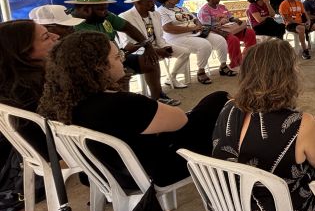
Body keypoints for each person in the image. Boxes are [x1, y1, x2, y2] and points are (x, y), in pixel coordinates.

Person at [37, 32, 229, 191]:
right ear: (99, 67)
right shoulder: (120, 103)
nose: (123, 60)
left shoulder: (61, 101)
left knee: (210, 107)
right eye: (116, 57)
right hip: (153, 172)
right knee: (219, 101)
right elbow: (180, 120)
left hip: (106, 172)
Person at [211, 38, 315, 211]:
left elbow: (259, 135)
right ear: (288, 76)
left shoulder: (229, 108)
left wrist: (311, 130)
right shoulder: (302, 123)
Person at [68, 0, 168, 103]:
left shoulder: (104, 16)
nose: (106, 12)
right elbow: (86, 63)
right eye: (101, 9)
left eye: (106, 8)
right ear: (86, 9)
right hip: (96, 67)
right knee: (120, 76)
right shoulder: (71, 27)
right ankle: (122, 107)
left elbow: (128, 27)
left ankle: (157, 99)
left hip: (117, 58)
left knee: (151, 61)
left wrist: (147, 45)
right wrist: (119, 62)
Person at [0, 20, 60, 159]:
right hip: (61, 160)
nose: (56, 36)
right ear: (24, 53)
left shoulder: (10, 87)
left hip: (29, 162)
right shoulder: (35, 92)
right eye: (46, 37)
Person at [155, 0, 236, 84]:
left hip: (194, 34)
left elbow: (196, 19)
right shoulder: (161, 11)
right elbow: (168, 28)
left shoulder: (182, 8)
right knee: (204, 45)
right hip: (176, 37)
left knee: (220, 40)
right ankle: (201, 71)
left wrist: (198, 26)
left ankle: (223, 66)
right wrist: (192, 28)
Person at [119, 0, 191, 96]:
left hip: (157, 46)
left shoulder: (155, 14)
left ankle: (171, 77)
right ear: (138, 3)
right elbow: (127, 45)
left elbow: (160, 37)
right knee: (151, 58)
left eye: (152, 0)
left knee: (184, 52)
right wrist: (155, 50)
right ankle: (157, 94)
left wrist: (164, 47)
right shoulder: (125, 17)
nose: (153, 3)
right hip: (138, 51)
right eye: (149, 1)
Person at [198, 0, 257, 69]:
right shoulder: (204, 10)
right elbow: (207, 26)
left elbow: (229, 17)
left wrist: (235, 20)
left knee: (250, 33)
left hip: (230, 29)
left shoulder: (221, 6)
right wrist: (221, 32)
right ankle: (236, 63)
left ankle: (248, 57)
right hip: (217, 33)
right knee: (233, 40)